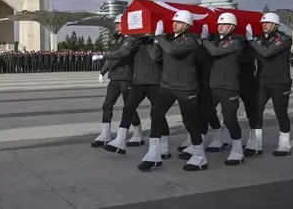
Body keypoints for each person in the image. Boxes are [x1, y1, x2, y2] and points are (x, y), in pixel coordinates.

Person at [138, 10, 206, 172]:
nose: (175, 24)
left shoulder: (191, 41)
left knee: (189, 122)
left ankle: (199, 157)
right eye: (174, 22)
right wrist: (156, 39)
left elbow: (172, 50)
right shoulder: (167, 40)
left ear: (187, 25)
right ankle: (154, 155)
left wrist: (160, 37)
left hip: (186, 87)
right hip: (167, 85)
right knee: (156, 115)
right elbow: (155, 56)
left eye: (179, 22)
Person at [103, 36, 171, 157]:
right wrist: (132, 38)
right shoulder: (135, 40)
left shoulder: (159, 39)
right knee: (128, 108)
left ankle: (165, 146)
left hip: (155, 82)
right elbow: (123, 52)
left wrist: (156, 37)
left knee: (157, 114)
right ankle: (120, 140)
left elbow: (155, 56)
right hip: (138, 81)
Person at [197, 12, 245, 166]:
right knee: (205, 115)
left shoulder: (236, 41)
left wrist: (204, 39)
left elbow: (216, 51)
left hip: (228, 86)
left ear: (232, 26)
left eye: (223, 24)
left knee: (230, 119)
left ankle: (237, 150)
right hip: (212, 85)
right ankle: (201, 146)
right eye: (218, 24)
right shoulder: (214, 40)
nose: (220, 27)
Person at [244, 12, 293, 157]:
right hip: (262, 81)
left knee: (281, 112)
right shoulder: (260, 39)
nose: (263, 25)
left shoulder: (284, 38)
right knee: (256, 111)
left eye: (267, 23)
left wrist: (251, 40)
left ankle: (284, 143)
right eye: (262, 23)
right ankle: (256, 142)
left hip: (280, 82)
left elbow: (267, 53)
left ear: (275, 25)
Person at [91, 14, 141, 148]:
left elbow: (123, 53)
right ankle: (105, 134)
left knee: (128, 107)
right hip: (114, 77)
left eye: (118, 23)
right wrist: (103, 72)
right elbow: (111, 58)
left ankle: (137, 132)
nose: (116, 26)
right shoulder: (115, 40)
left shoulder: (132, 39)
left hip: (127, 77)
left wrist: (103, 55)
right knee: (107, 105)